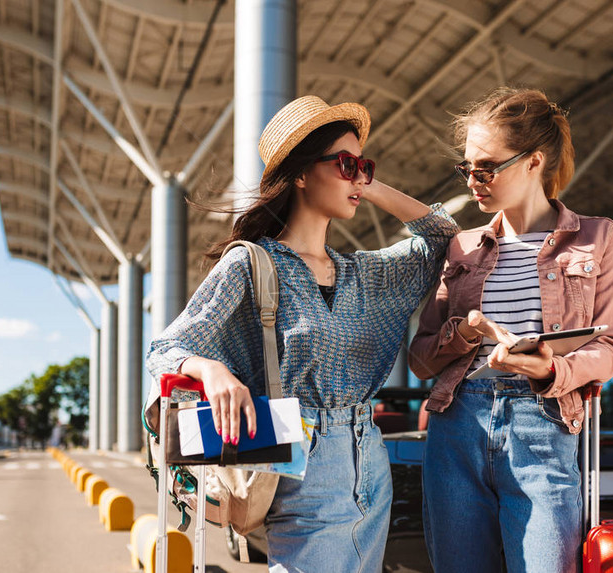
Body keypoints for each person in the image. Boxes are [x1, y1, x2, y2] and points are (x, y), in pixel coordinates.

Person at [145, 95, 459, 572]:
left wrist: (368, 185)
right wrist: (211, 369)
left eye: (364, 165)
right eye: (346, 164)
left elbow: (442, 238)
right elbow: (166, 348)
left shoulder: (365, 274)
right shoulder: (252, 264)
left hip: (369, 459)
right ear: (299, 173)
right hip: (302, 462)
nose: (358, 176)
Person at [408, 87, 613, 573]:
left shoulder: (596, 237)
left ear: (534, 162)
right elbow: (420, 359)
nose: (472, 180)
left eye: (485, 168)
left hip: (544, 424)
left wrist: (552, 367)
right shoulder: (461, 247)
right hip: (457, 424)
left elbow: (610, 346)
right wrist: (462, 336)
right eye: (465, 168)